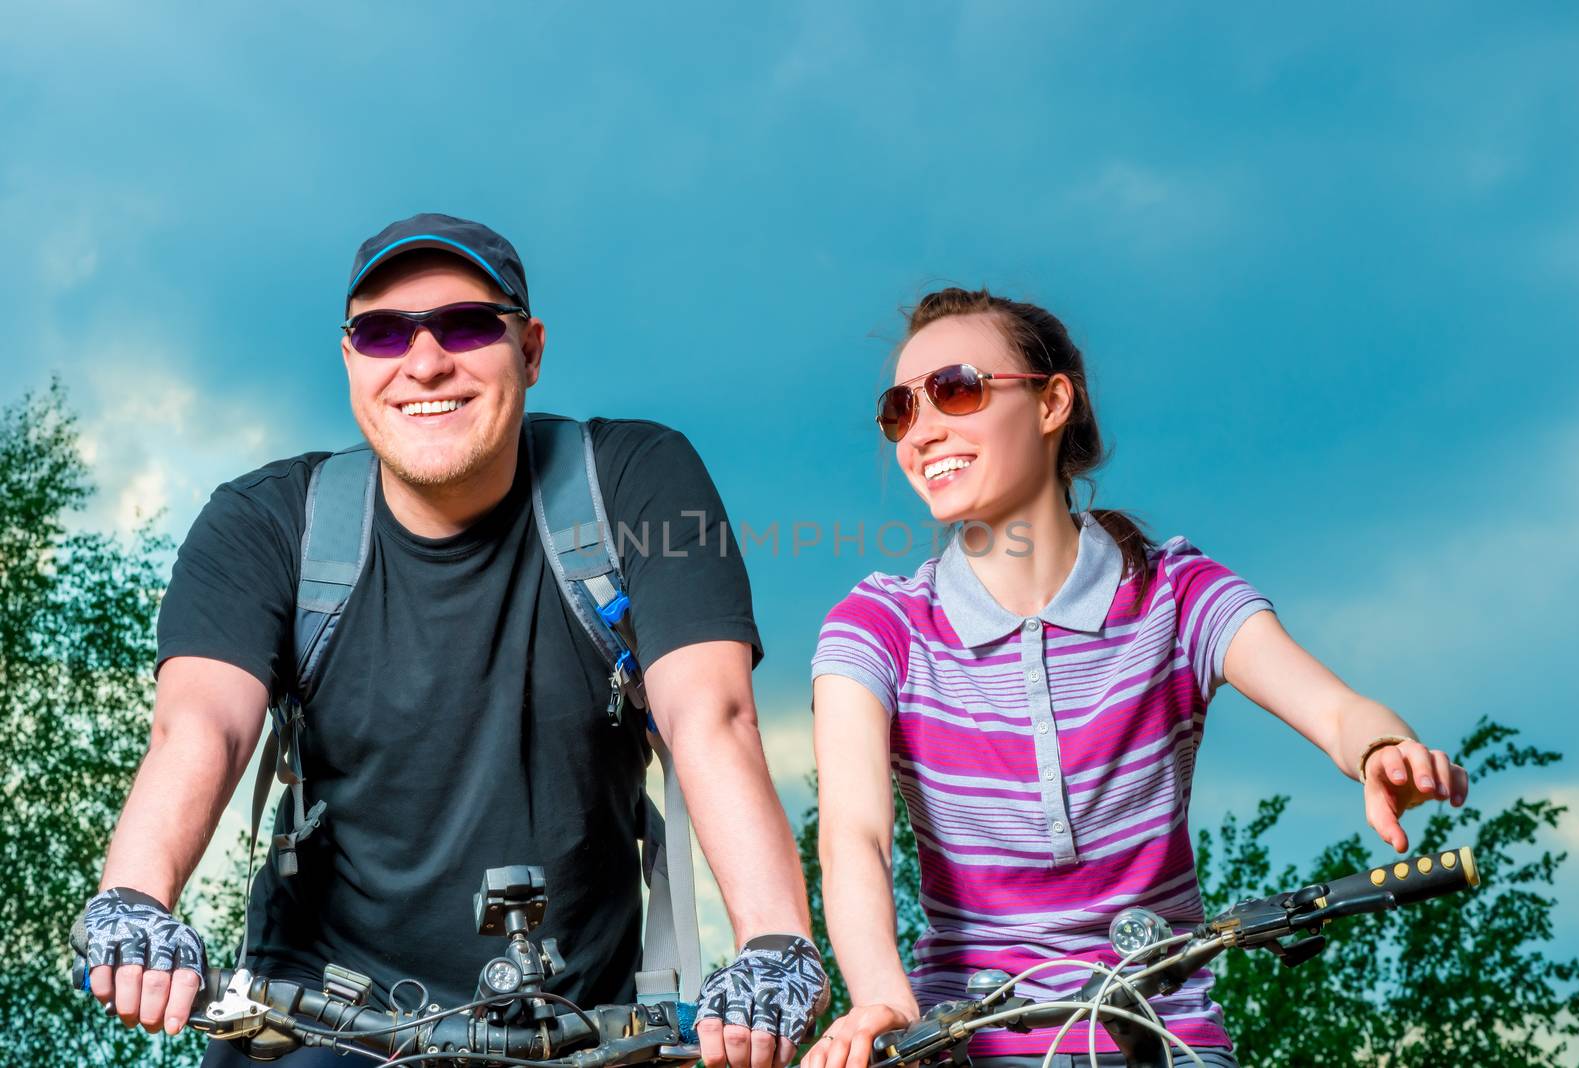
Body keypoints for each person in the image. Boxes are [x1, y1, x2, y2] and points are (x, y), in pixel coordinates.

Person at [76, 213, 826, 1068]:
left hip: (576, 1025)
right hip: (321, 1017)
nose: (424, 362)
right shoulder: (267, 520)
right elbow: (201, 725)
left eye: (467, 324)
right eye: (382, 332)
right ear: (351, 360)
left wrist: (774, 941)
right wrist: (134, 896)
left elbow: (711, 715)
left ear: (531, 350)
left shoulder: (634, 482)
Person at [802, 287, 1469, 1068]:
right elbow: (854, 835)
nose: (923, 430)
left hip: (1167, 1039)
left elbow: (1336, 708)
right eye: (899, 410)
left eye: (956, 389)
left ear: (1052, 404)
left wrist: (1381, 746)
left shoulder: (1176, 594)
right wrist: (883, 998)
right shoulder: (879, 627)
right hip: (965, 1043)